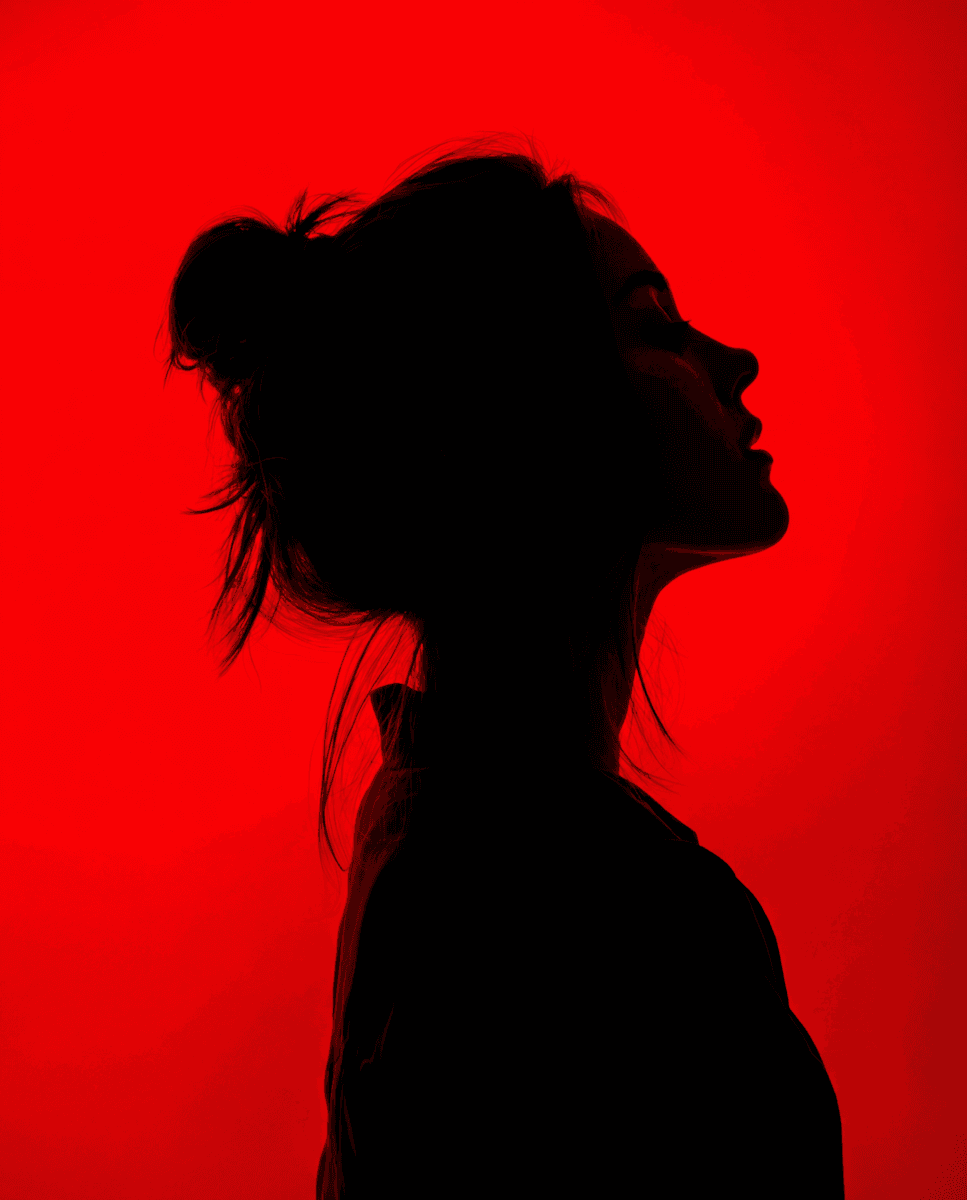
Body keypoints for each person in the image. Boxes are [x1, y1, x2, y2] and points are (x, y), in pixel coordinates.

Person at [167, 141, 844, 1198]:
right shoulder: (592, 915)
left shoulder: (439, 842)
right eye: (652, 325)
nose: (736, 361)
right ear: (531, 411)